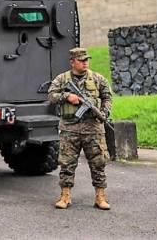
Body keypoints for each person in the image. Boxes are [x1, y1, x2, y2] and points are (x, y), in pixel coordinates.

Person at [48, 47, 113, 210]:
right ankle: (65, 196)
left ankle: (100, 196)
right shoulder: (62, 79)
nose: (85, 63)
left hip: (93, 128)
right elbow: (51, 95)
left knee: (98, 162)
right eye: (81, 60)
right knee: (67, 163)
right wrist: (67, 96)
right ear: (72, 62)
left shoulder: (97, 78)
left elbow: (107, 97)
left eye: (86, 60)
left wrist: (104, 112)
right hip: (70, 128)